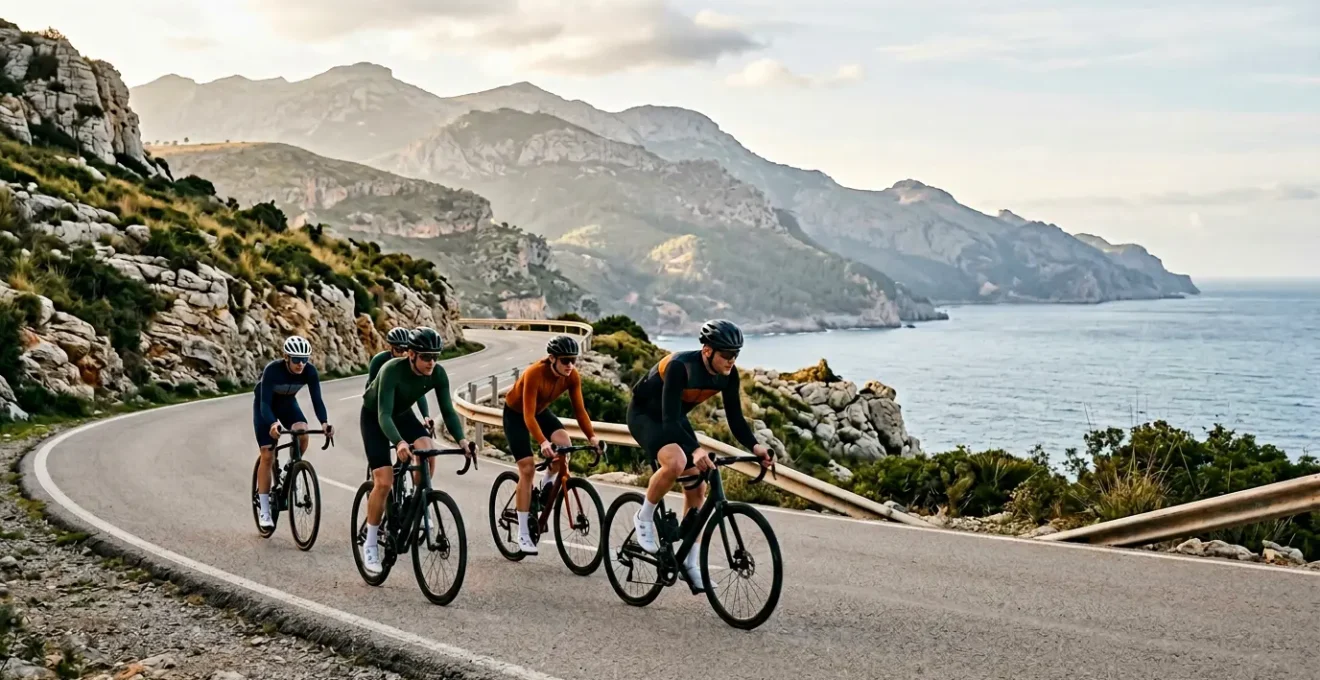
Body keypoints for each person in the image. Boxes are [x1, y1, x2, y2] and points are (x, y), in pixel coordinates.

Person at [626, 319, 772, 592]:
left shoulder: (728, 375)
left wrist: (755, 447)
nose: (732, 360)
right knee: (678, 460)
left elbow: (736, 420)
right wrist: (694, 449)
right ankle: (644, 516)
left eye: (736, 354)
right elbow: (668, 422)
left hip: (674, 418)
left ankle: (690, 565)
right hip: (646, 415)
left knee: (700, 486)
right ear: (707, 351)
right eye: (727, 354)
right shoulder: (680, 366)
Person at [358, 326, 469, 575]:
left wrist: (462, 441)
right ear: (411, 355)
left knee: (427, 449)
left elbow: (448, 412)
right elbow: (384, 414)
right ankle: (371, 542)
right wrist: (399, 443)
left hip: (402, 414)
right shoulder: (391, 370)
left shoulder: (437, 374)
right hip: (375, 416)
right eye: (426, 357)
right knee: (384, 482)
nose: (432, 362)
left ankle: (416, 502)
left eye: (436, 356)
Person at [502, 335, 601, 555]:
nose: (570, 365)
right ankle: (523, 534)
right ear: (552, 358)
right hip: (517, 415)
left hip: (541, 412)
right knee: (527, 468)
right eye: (565, 360)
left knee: (564, 445)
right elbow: (528, 416)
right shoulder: (534, 373)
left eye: (573, 360)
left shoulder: (572, 375)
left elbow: (580, 411)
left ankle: (548, 483)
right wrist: (542, 442)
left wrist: (592, 438)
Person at [253, 335, 333, 530]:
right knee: (267, 454)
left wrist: (324, 423)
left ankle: (291, 466)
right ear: (286, 357)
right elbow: (264, 404)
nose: (301, 364)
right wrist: (272, 423)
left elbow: (317, 400)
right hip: (266, 407)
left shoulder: (310, 372)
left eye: (305, 359)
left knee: (302, 432)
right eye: (296, 359)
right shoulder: (272, 370)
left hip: (288, 404)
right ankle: (264, 508)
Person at [367, 327, 434, 432]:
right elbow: (372, 390)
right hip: (379, 403)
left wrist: (426, 416)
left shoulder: (411, 364)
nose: (403, 354)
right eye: (398, 350)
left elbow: (419, 393)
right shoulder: (378, 361)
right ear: (391, 348)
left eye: (406, 350)